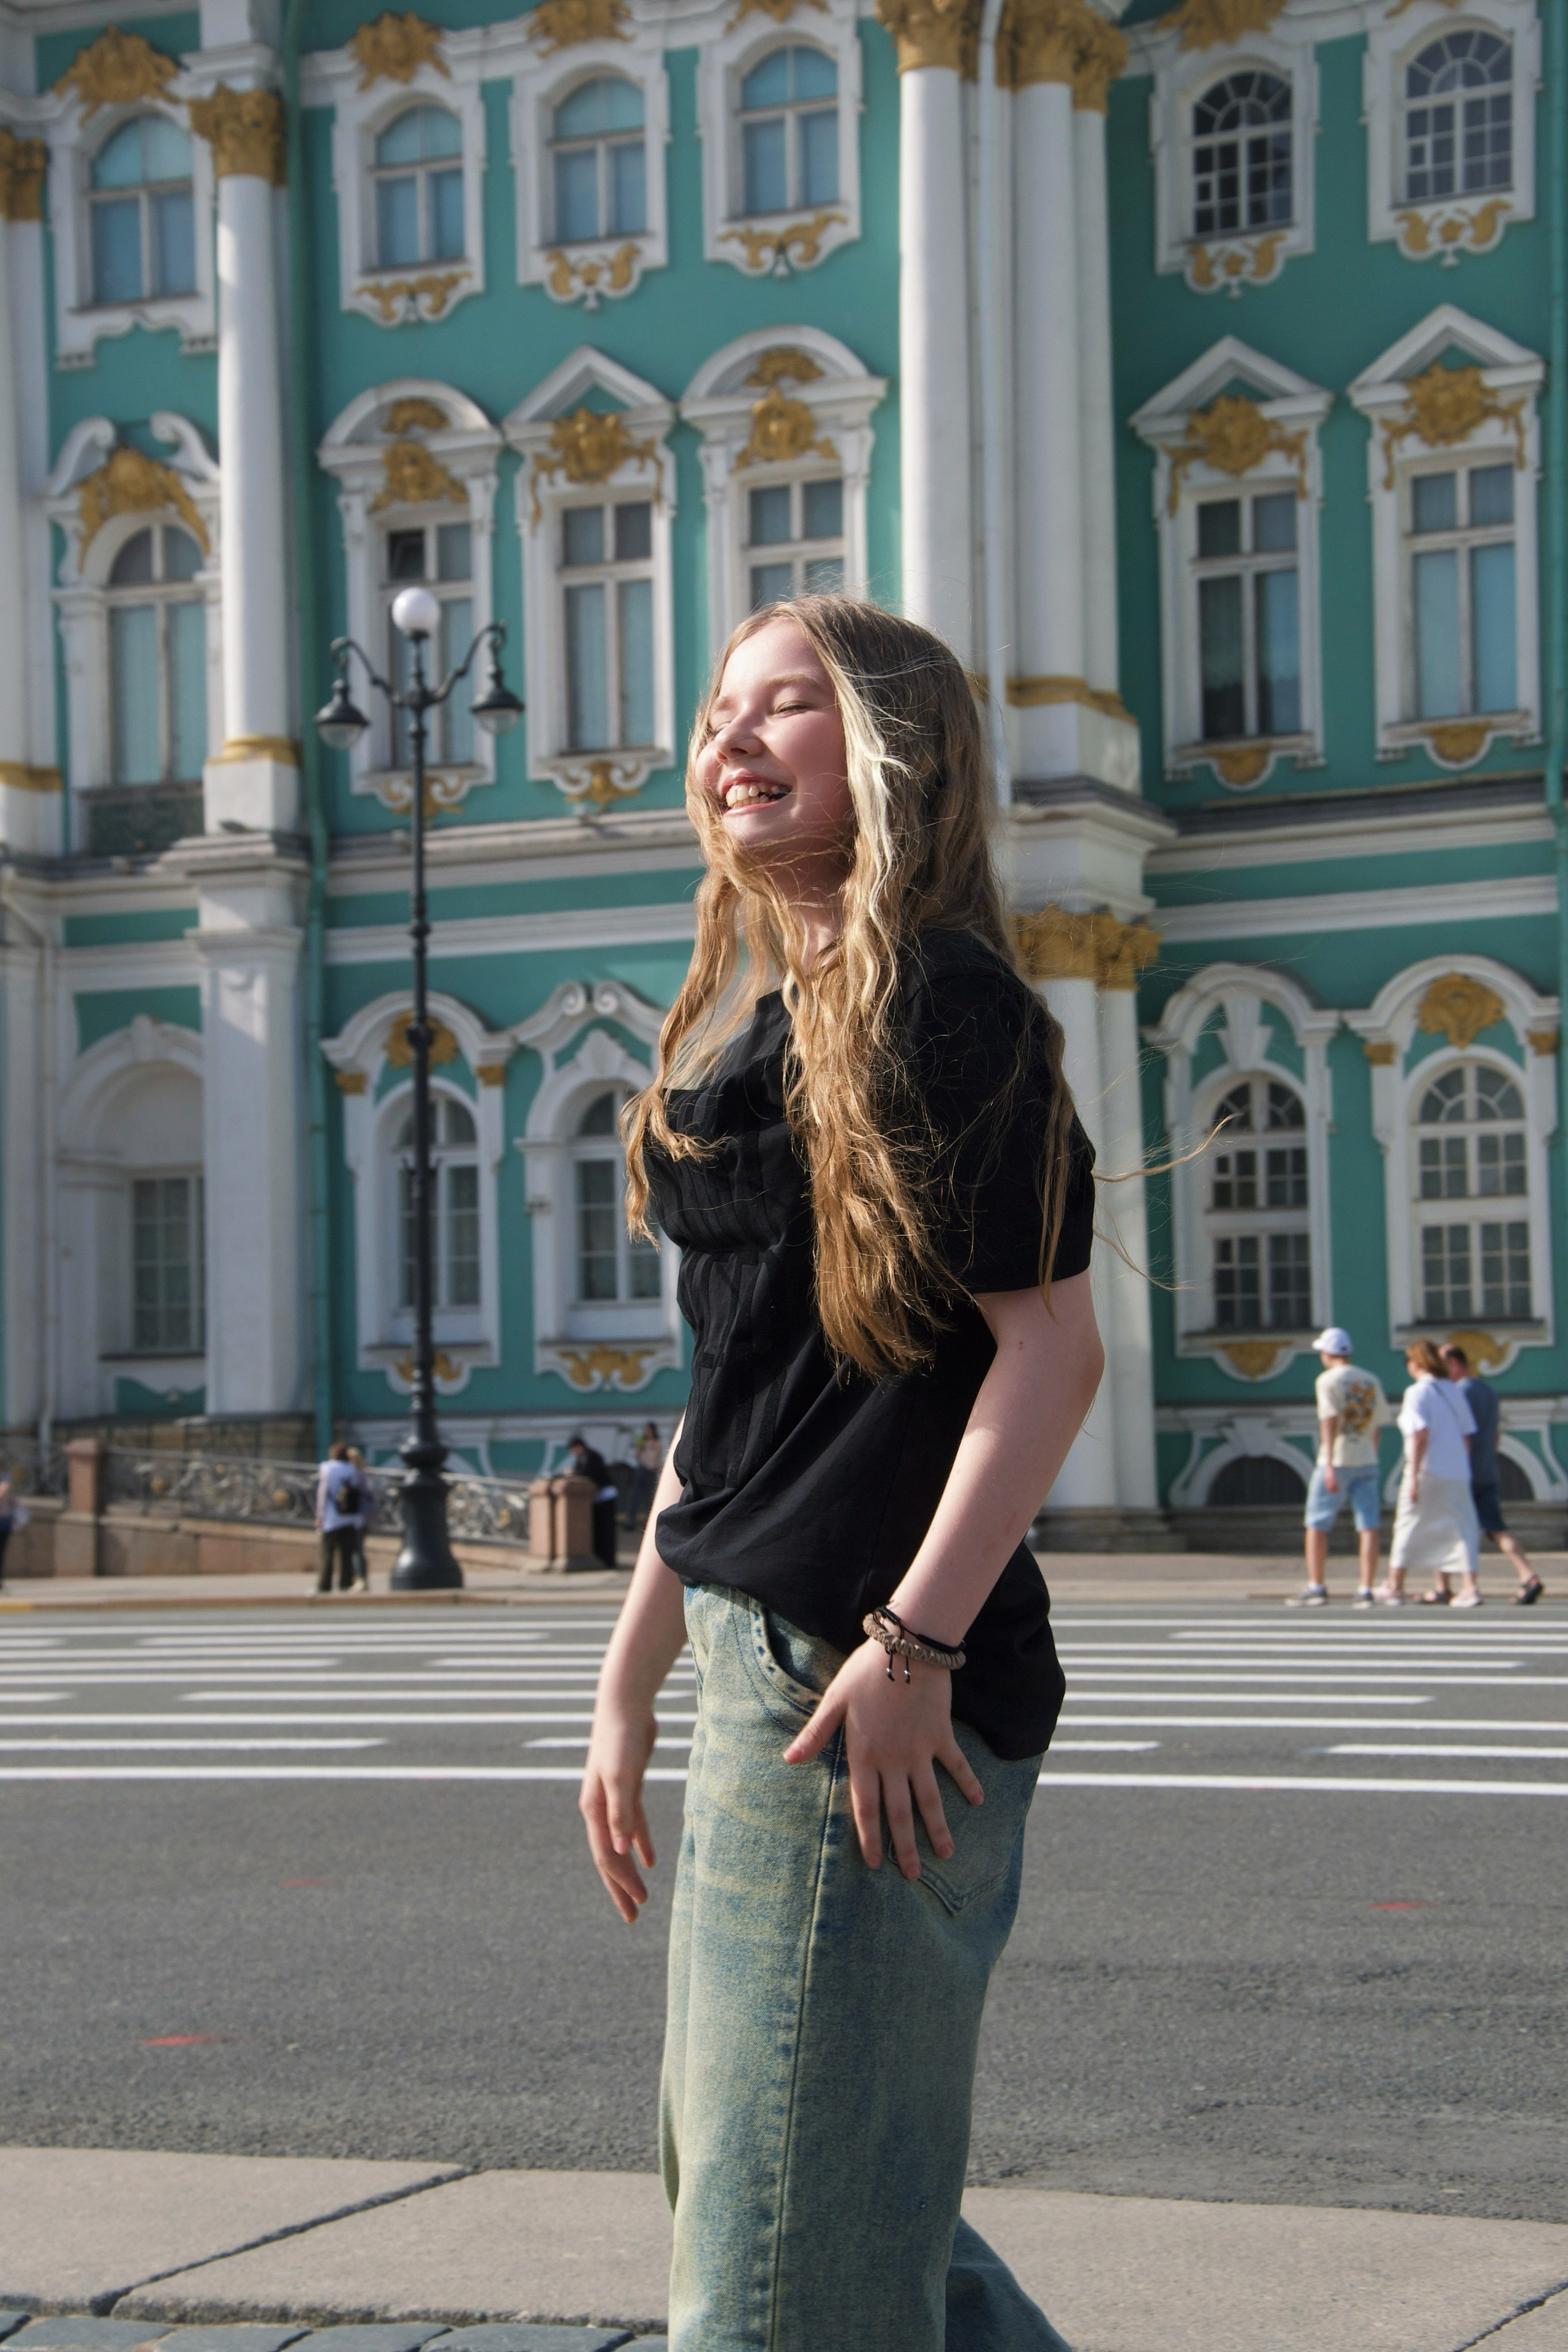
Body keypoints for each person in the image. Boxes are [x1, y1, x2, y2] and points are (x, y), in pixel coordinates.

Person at [579, 595, 1103, 2352]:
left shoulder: (945, 1006)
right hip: (766, 1666)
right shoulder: (768, 1026)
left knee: (778, 2253)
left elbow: (1049, 1350)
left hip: (856, 1693)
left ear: (894, 749)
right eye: (720, 708)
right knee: (815, 2194)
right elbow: (733, 1409)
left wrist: (918, 1645)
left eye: (785, 707)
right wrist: (629, 1674)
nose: (730, 739)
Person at [1288, 1326, 1392, 1609]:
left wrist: (1331, 1464)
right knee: (1368, 1525)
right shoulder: (1370, 1379)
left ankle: (1317, 1585)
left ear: (1327, 1353)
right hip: (1367, 1458)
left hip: (1336, 1459)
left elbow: (1329, 1422)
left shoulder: (1327, 1381)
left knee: (1317, 1524)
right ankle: (1366, 1587)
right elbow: (1379, 1425)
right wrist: (1372, 1453)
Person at [1436, 1343, 1544, 1605]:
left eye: (1441, 1365)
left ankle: (1453, 1587)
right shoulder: (1487, 1390)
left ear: (1454, 1363)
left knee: (1452, 1528)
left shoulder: (1459, 1393)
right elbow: (1494, 1433)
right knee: (1497, 1528)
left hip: (1464, 1472)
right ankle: (1527, 1575)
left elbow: (1460, 1435)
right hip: (1487, 1470)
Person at [1376, 1340, 1481, 1607]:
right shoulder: (1454, 1390)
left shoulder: (1417, 1392)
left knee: (1408, 1524)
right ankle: (1469, 1587)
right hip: (1456, 1469)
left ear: (1417, 1363)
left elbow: (1419, 1435)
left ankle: (1395, 1585)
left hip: (1428, 1469)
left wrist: (1413, 1476)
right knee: (1462, 1527)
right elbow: (1467, 1435)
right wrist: (1462, 1466)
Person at [314, 1441, 363, 1594]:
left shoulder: (328, 1469)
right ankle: (345, 1583)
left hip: (331, 1518)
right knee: (346, 1553)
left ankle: (325, 1584)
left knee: (327, 1552)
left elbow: (323, 1493)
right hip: (349, 1517)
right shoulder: (352, 1470)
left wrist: (319, 1515)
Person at [567, 1433, 619, 1569]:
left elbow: (590, 1474)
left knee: (606, 1530)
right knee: (598, 1531)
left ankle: (609, 1561)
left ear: (579, 1447)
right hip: (596, 1499)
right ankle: (601, 1558)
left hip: (605, 1497)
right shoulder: (581, 1458)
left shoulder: (592, 1457)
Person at [345, 1446, 373, 1593]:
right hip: (365, 1517)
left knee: (356, 1550)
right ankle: (362, 1579)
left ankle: (361, 1580)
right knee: (359, 1550)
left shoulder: (353, 1475)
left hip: (356, 1518)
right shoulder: (363, 1474)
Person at [625, 1421, 662, 1530]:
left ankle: (650, 1520)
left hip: (652, 1471)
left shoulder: (657, 1442)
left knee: (649, 1497)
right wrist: (640, 1447)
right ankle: (631, 1520)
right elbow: (637, 1456)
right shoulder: (642, 1442)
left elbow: (656, 1457)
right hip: (642, 1469)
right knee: (635, 1495)